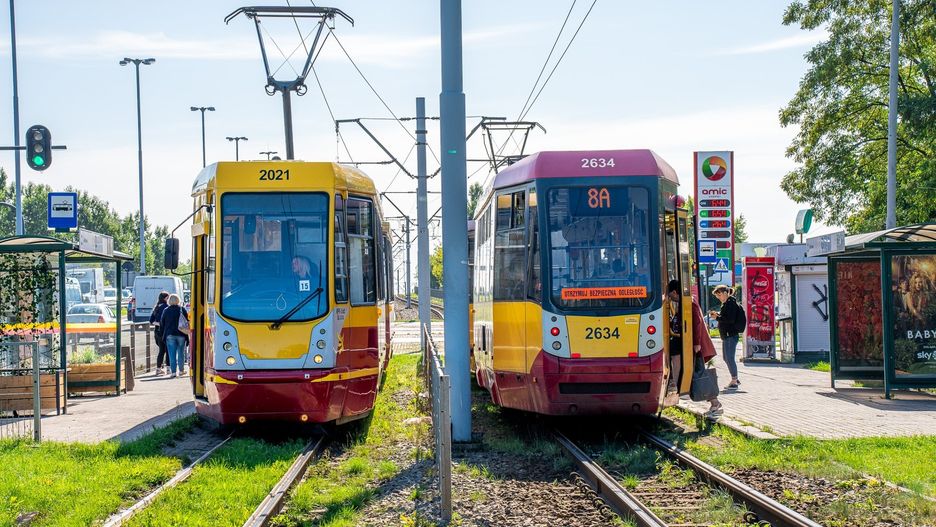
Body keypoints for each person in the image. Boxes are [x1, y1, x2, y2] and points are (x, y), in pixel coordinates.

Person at [667, 280, 723, 415]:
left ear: (675, 292)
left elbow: (696, 323)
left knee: (699, 373)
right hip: (687, 343)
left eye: (670, 295)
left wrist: (697, 343)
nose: (670, 297)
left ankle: (715, 403)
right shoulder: (685, 302)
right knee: (697, 373)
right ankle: (713, 402)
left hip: (693, 345)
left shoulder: (690, 303)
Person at [710, 284, 742, 389]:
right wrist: (718, 315)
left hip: (730, 335)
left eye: (719, 295)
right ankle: (735, 378)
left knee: (729, 358)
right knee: (726, 358)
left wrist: (717, 317)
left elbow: (730, 320)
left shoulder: (730, 304)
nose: (718, 298)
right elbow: (726, 317)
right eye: (717, 296)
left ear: (725, 293)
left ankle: (734, 380)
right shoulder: (726, 304)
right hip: (727, 335)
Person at [159, 294, 190, 378]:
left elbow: (162, 323)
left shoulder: (166, 310)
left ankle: (173, 372)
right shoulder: (182, 309)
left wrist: (163, 334)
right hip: (181, 334)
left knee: (171, 354)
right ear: (178, 300)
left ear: (169, 301)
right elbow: (187, 321)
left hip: (170, 335)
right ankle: (181, 371)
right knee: (181, 353)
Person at [149, 291, 170, 375]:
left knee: (161, 350)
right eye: (168, 298)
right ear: (165, 298)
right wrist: (162, 324)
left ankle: (158, 369)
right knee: (168, 350)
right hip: (165, 332)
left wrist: (158, 324)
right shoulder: (166, 307)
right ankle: (168, 368)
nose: (168, 299)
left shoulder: (156, 307)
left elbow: (151, 321)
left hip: (157, 332)